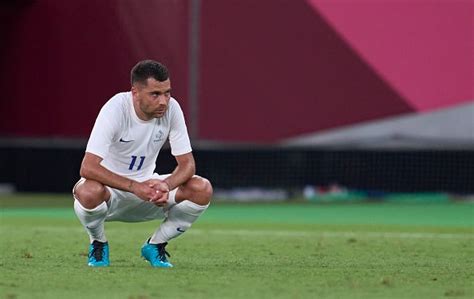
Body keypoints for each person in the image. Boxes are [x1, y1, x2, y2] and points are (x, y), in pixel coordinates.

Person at [72, 60, 212, 268]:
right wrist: (134, 187)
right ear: (135, 93)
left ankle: (155, 245)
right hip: (111, 194)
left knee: (201, 188)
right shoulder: (115, 109)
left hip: (149, 192)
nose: (163, 101)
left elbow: (187, 165)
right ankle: (98, 243)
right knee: (88, 191)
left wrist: (166, 185)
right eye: (155, 94)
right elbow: (88, 167)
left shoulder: (172, 109)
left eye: (167, 93)